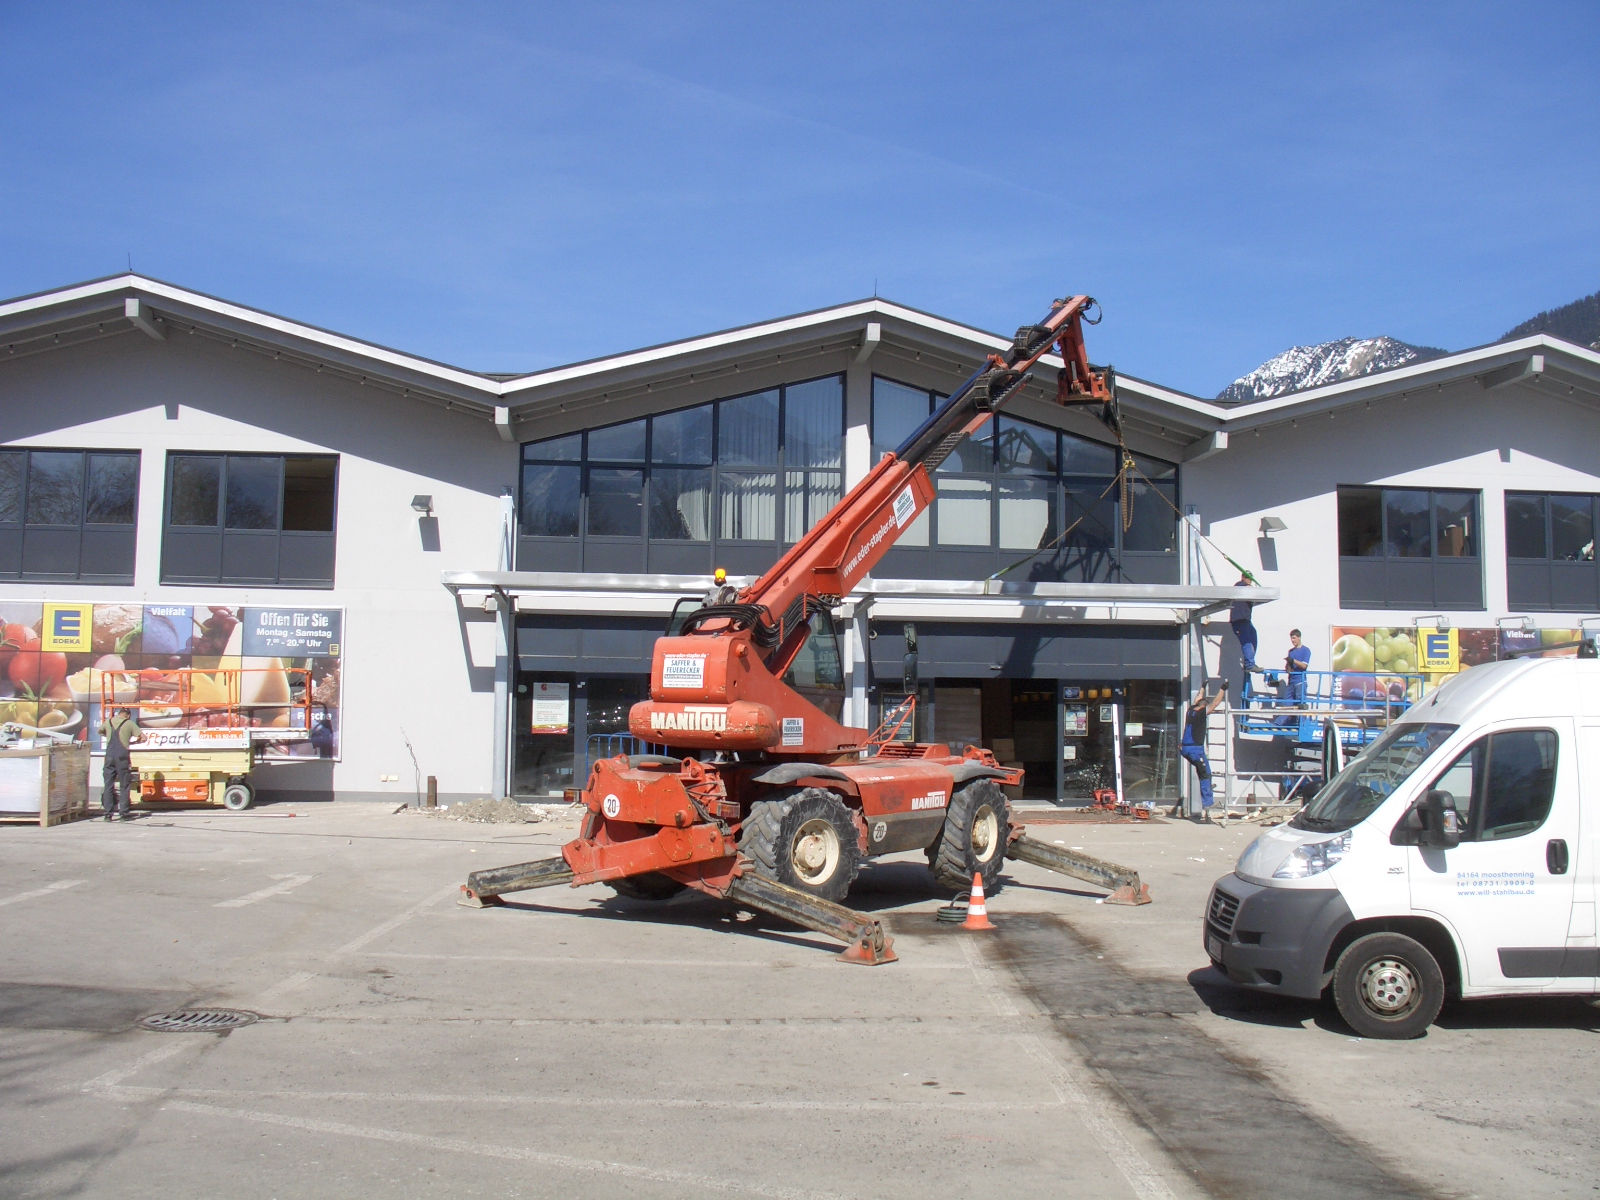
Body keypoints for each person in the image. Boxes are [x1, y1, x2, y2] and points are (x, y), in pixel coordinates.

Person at [1178, 684, 1227, 819]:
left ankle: (1207, 788)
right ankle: (1208, 802)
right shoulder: (1201, 713)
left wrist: (1202, 688)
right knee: (1205, 774)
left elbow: (1197, 699)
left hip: (1184, 749)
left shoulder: (1191, 710)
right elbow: (1215, 703)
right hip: (1195, 750)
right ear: (1204, 707)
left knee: (1202, 771)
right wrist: (1222, 689)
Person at [98, 706, 141, 821]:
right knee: (124, 785)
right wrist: (134, 742)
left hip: (109, 757)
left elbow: (99, 731)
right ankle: (124, 814)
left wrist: (107, 735)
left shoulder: (108, 722)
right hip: (122, 758)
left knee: (108, 785)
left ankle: (108, 814)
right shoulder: (129, 723)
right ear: (128, 715)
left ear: (119, 713)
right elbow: (143, 737)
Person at [1230, 573, 1260, 671]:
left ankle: (1249, 663)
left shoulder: (1246, 590)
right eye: (1247, 578)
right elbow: (1247, 588)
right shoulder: (1239, 585)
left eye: (1251, 578)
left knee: (1253, 637)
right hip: (1239, 620)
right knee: (1247, 642)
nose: (1249, 580)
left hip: (1245, 620)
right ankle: (1250, 665)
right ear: (1243, 577)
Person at [1284, 629, 1311, 705]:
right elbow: (1289, 668)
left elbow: (1304, 666)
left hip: (1300, 682)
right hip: (1291, 682)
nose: (1292, 640)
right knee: (1286, 705)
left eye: (1294, 638)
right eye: (1291, 638)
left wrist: (1293, 661)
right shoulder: (1291, 651)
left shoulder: (1306, 650)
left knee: (1300, 705)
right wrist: (1288, 665)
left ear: (1299, 638)